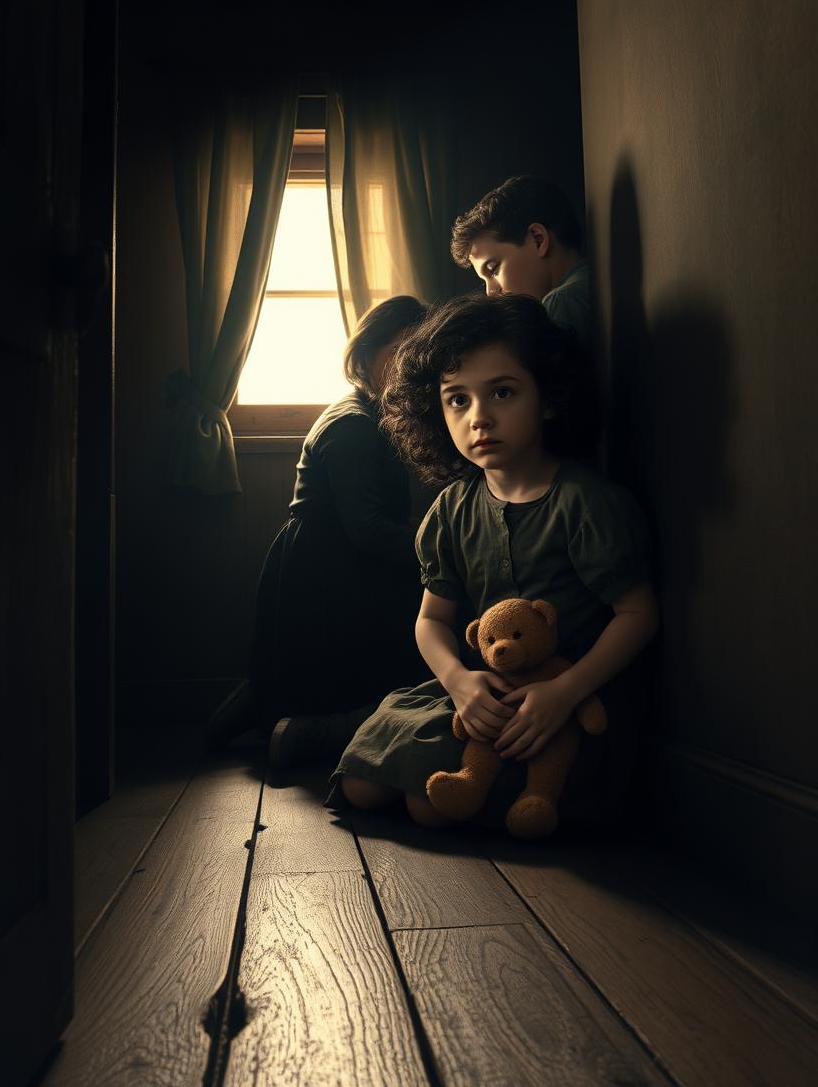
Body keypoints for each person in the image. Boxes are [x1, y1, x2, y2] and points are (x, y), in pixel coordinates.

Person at [328, 293, 658, 831]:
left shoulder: (584, 502)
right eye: (457, 399)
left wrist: (563, 692)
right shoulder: (454, 507)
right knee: (361, 784)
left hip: (563, 705)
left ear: (547, 398)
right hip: (483, 692)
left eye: (502, 392)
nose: (479, 417)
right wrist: (458, 679)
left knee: (423, 804)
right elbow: (432, 619)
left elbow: (638, 615)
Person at [206, 295, 430, 763]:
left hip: (326, 555)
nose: (409, 365)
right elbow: (366, 527)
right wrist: (436, 547)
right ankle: (299, 726)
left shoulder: (369, 413)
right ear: (367, 354)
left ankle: (257, 706)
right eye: (399, 351)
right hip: (330, 565)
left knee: (299, 671)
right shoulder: (354, 426)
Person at [451, 176, 592, 349]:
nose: (490, 293)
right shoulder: (589, 282)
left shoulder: (561, 302)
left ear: (538, 239)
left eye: (493, 269)